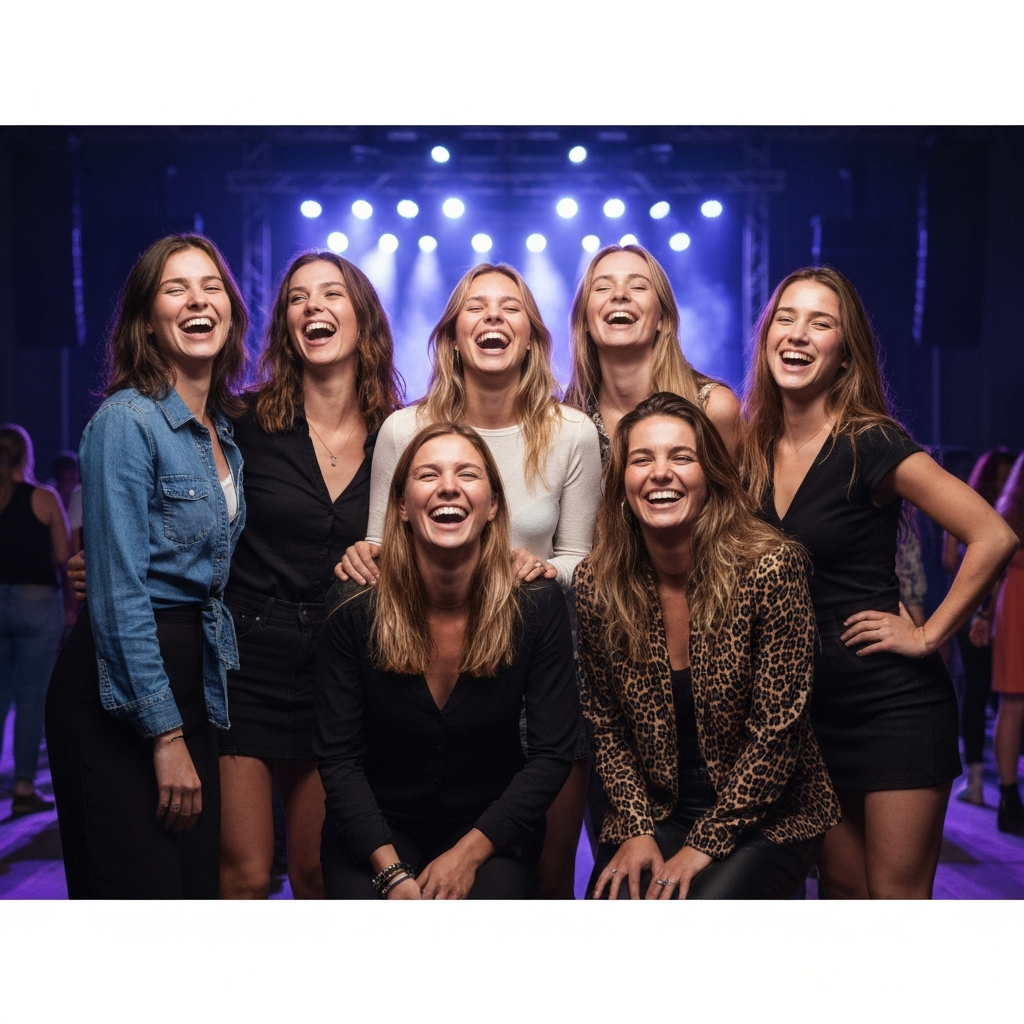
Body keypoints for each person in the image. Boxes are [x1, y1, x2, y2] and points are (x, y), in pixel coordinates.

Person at [741, 266, 1018, 898]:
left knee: (892, 906)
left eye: (822, 322)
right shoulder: (749, 450)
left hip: (891, 708)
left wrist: (927, 637)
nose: (799, 333)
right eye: (786, 318)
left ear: (844, 352)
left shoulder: (871, 441)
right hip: (805, 716)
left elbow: (993, 534)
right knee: (842, 895)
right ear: (766, 338)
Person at [338, 263, 602, 898]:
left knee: (542, 880)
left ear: (534, 336)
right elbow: (383, 541)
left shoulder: (573, 431)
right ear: (452, 335)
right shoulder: (405, 427)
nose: (492, 317)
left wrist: (533, 569)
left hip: (538, 664)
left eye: (509, 307)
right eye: (475, 308)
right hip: (428, 662)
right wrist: (358, 555)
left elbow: (579, 557)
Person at [45, 234, 248, 898]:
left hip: (191, 682)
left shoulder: (222, 433)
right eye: (175, 288)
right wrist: (164, 735)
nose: (197, 299)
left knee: (190, 894)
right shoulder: (125, 421)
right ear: (146, 318)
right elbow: (120, 596)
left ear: (231, 311)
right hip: (124, 692)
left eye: (211, 286)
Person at [575, 393, 839, 899]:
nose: (660, 473)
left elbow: (777, 737)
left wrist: (704, 844)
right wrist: (635, 828)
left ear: (710, 474)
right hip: (653, 811)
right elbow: (605, 725)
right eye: (641, 459)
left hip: (767, 815)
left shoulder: (770, 568)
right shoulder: (597, 583)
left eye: (680, 457)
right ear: (621, 482)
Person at [315, 422, 580, 899]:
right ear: (401, 506)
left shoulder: (536, 606)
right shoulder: (352, 606)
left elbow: (552, 754)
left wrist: (468, 855)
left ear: (494, 505)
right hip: (374, 830)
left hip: (489, 830)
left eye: (467, 474)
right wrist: (392, 873)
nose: (449, 487)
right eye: (428, 475)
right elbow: (338, 759)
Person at [217, 251, 402, 898]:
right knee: (241, 874)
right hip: (247, 662)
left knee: (317, 873)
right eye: (298, 297)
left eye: (331, 294)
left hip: (342, 667)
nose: (313, 306)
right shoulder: (241, 422)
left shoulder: (400, 435)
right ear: (285, 325)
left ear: (363, 319)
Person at [563, 243, 743, 463]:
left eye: (638, 287)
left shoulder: (714, 409)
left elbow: (738, 497)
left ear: (662, 318)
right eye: (602, 288)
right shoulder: (565, 422)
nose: (619, 294)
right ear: (584, 322)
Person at [0, 425, 69, 815]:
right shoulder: (44, 498)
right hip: (36, 603)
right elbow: (62, 556)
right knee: (31, 700)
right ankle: (24, 787)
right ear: (27, 456)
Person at [941, 448, 1016, 805]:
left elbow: (949, 558)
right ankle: (980, 777)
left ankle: (976, 776)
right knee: (992, 695)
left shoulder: (971, 508)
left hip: (979, 605)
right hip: (983, 608)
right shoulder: (991, 512)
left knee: (982, 692)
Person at [989, 453, 1024, 834]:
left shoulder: (1010, 508)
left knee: (1011, 705)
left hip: (1012, 604)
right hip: (1014, 605)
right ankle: (1010, 798)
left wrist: (983, 616)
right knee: (1012, 704)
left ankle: (1009, 797)